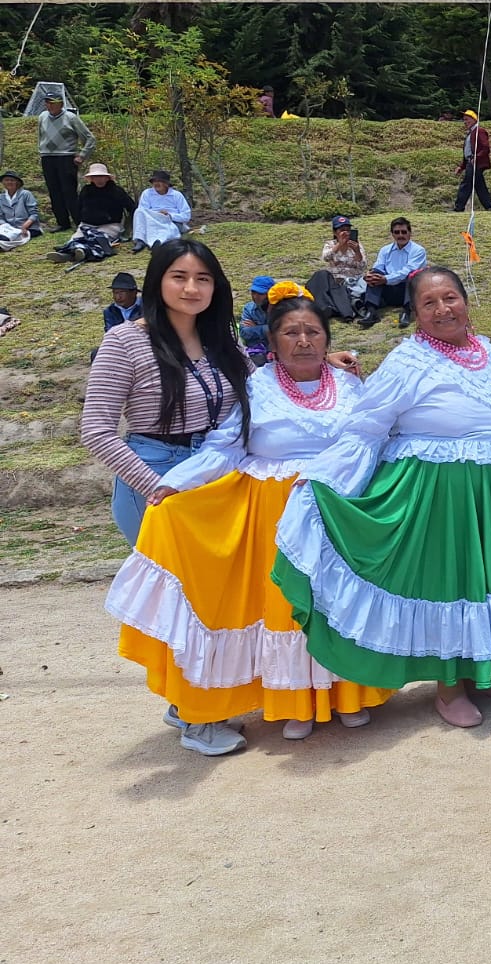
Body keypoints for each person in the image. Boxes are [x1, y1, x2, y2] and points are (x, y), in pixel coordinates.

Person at [104, 283, 391, 751]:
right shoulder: (255, 387)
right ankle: (295, 702)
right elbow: (225, 447)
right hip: (273, 514)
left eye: (313, 332)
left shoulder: (351, 386)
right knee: (287, 608)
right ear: (273, 341)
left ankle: (349, 695)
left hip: (335, 506)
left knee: (337, 602)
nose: (303, 341)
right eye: (291, 332)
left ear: (327, 338)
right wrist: (173, 484)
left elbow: (368, 442)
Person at [273, 267, 491, 729]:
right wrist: (324, 475)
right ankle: (450, 688)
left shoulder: (489, 353)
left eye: (450, 297)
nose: (442, 309)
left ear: (466, 301)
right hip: (440, 492)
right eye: (429, 303)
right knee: (453, 586)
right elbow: (367, 426)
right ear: (416, 313)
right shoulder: (407, 361)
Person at [80, 240, 253, 546]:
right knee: (168, 585)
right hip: (157, 470)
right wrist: (158, 486)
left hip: (219, 471)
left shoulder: (222, 339)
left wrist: (319, 364)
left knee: (214, 586)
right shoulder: (123, 342)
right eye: (179, 277)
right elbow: (97, 431)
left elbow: (263, 387)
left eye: (203, 279)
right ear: (156, 281)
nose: (191, 288)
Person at [36, 89, 95, 231]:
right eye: (47, 102)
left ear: (61, 104)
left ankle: (79, 222)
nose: (49, 105)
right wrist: (41, 150)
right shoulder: (42, 116)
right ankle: (62, 222)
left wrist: (82, 155)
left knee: (69, 191)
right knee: (53, 191)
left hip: (66, 157)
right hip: (47, 158)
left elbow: (89, 138)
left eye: (52, 103)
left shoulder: (71, 117)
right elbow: (40, 136)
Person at [356, 217, 426, 328]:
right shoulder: (385, 250)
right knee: (375, 272)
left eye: (404, 232)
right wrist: (371, 276)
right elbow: (379, 266)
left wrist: (385, 279)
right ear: (392, 234)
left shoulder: (418, 251)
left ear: (410, 233)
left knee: (413, 275)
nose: (400, 235)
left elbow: (407, 271)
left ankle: (407, 312)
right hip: (388, 288)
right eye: (397, 232)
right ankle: (371, 312)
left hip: (408, 291)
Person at [306, 215, 366, 321]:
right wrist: (339, 245)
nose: (345, 233)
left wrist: (357, 252)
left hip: (353, 280)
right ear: (335, 233)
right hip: (336, 281)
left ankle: (352, 304)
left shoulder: (356, 245)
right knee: (320, 276)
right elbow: (326, 257)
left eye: (348, 230)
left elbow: (362, 266)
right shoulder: (330, 245)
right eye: (342, 230)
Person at [131, 170, 192, 250]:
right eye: (154, 181)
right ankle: (140, 240)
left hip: (170, 221)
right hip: (152, 220)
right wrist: (156, 215)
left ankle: (157, 243)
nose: (156, 184)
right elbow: (144, 211)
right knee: (139, 211)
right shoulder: (147, 193)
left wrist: (170, 215)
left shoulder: (176, 195)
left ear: (166, 184)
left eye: (160, 181)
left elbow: (186, 216)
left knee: (168, 230)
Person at [74, 163, 135, 243]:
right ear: (92, 178)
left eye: (101, 176)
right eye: (96, 177)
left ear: (107, 178)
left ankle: (85, 252)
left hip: (110, 226)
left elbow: (131, 207)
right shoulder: (86, 190)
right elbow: (78, 208)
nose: (99, 179)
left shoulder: (117, 191)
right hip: (87, 225)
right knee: (75, 241)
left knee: (98, 241)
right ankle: (67, 253)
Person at [454, 110, 491, 212]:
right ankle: (490, 207)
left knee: (466, 185)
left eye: (467, 119)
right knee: (479, 186)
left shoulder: (479, 131)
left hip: (475, 163)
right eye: (464, 120)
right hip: (471, 162)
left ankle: (459, 207)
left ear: (474, 119)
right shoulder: (471, 133)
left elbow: (486, 148)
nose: (465, 122)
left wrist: (477, 157)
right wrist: (461, 166)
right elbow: (467, 152)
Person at [0, 170, 42, 249]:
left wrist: (24, 226)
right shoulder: (1, 198)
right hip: (9, 228)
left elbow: (34, 214)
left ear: (17, 182)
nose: (9, 182)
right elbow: (0, 217)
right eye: (6, 180)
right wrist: (5, 226)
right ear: (3, 182)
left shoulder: (26, 194)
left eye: (12, 180)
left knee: (8, 238)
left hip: (28, 228)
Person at [240, 274, 273, 364]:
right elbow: (244, 332)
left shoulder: (279, 308)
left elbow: (278, 330)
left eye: (260, 294)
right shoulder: (248, 308)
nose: (255, 296)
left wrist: (256, 328)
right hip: (255, 351)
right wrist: (266, 329)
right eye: (253, 292)